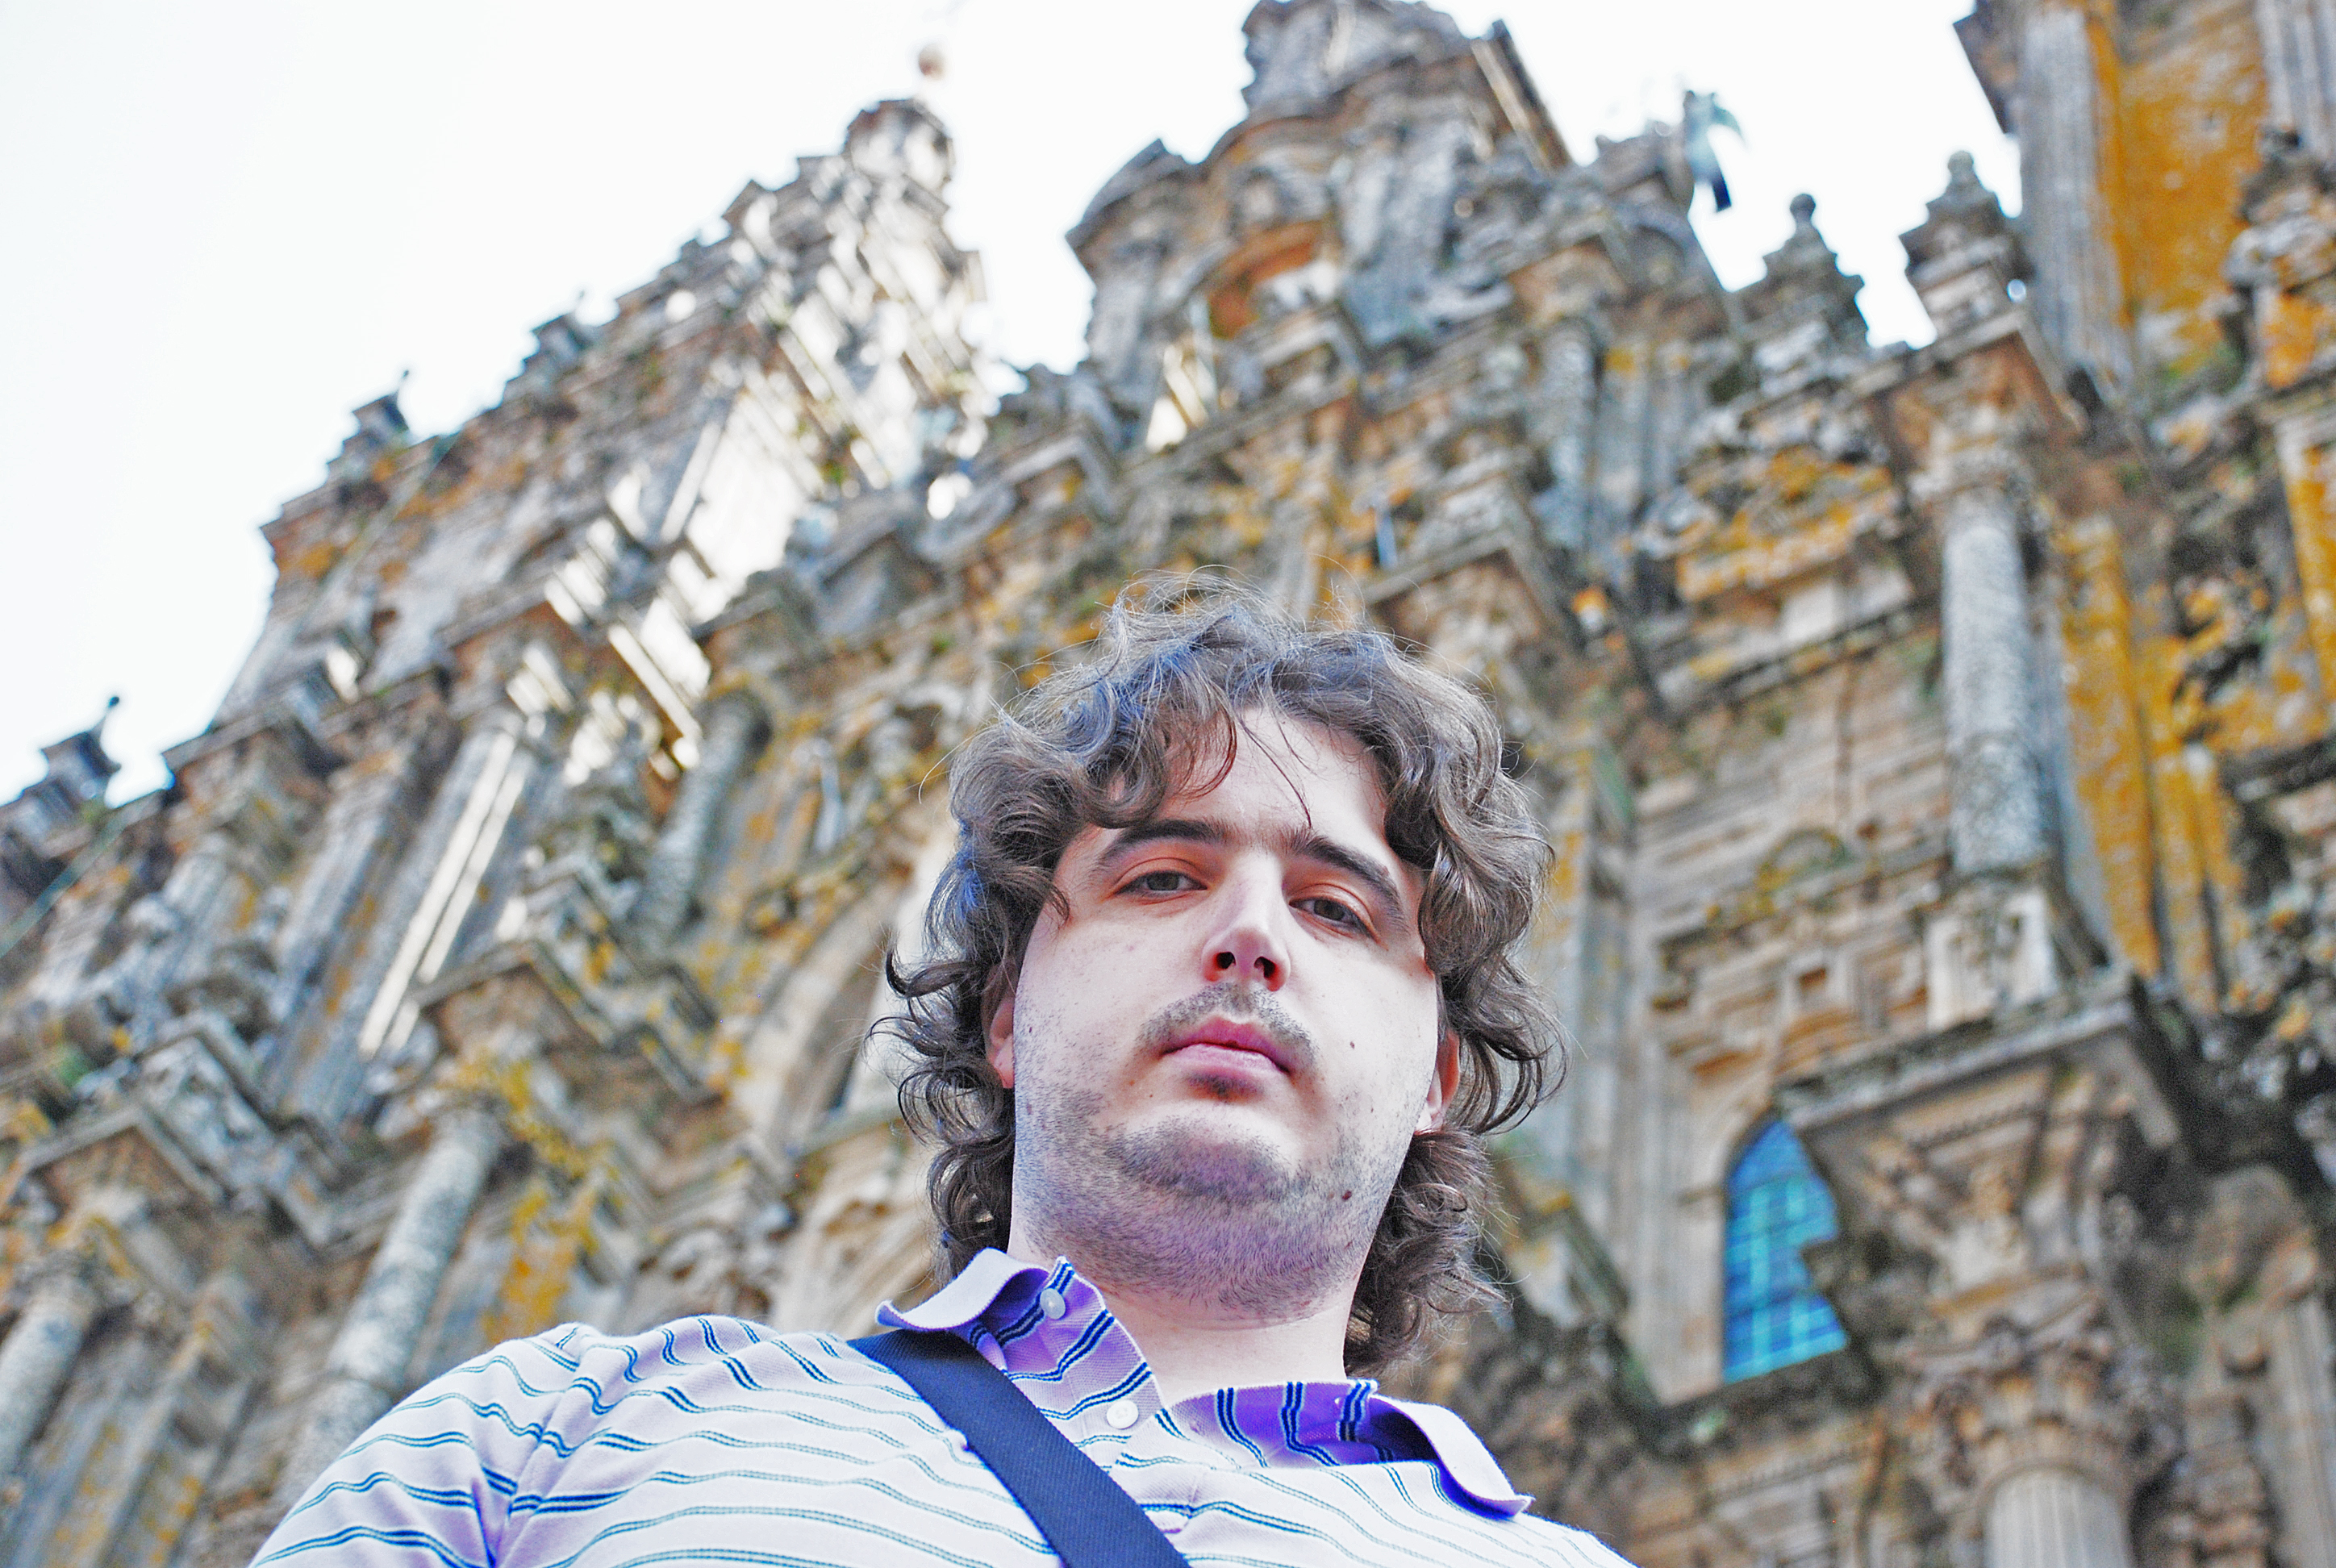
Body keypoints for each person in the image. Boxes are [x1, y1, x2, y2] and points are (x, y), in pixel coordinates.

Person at [253, 588, 1635, 1566]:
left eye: (1338, 907)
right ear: (1005, 1014)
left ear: (1441, 1075)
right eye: (1162, 876)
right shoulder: (539, 1441)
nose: (1249, 937)